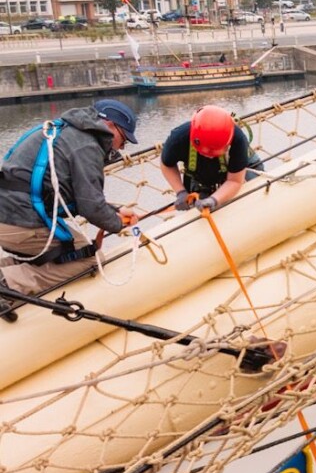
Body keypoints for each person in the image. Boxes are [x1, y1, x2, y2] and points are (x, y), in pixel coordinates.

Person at [0, 99, 139, 318]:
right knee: (89, 258)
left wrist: (115, 210)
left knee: (57, 252)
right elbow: (91, 207)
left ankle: (8, 273)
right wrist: (116, 223)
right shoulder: (88, 146)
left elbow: (69, 195)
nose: (121, 148)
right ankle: (8, 284)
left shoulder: (64, 130)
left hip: (9, 219)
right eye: (124, 139)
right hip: (21, 222)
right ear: (111, 126)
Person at [159, 105, 254, 213]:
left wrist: (214, 200)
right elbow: (167, 164)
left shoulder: (238, 139)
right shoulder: (179, 138)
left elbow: (235, 180)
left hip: (240, 170)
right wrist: (181, 192)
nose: (209, 156)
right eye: (206, 153)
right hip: (200, 177)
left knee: (255, 191)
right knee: (197, 211)